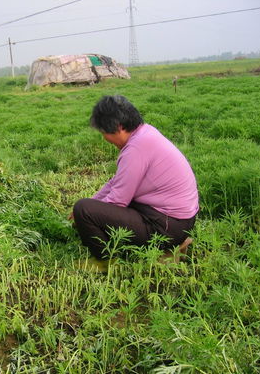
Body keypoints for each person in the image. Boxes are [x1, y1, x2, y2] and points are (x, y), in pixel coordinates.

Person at [71, 95, 198, 270]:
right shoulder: (145, 133)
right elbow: (116, 181)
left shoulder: (136, 149)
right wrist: (96, 200)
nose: (104, 138)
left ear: (119, 127)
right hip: (179, 222)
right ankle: (173, 247)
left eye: (104, 133)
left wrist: (86, 215)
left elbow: (117, 201)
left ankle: (105, 261)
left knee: (83, 209)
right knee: (91, 208)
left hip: (167, 228)